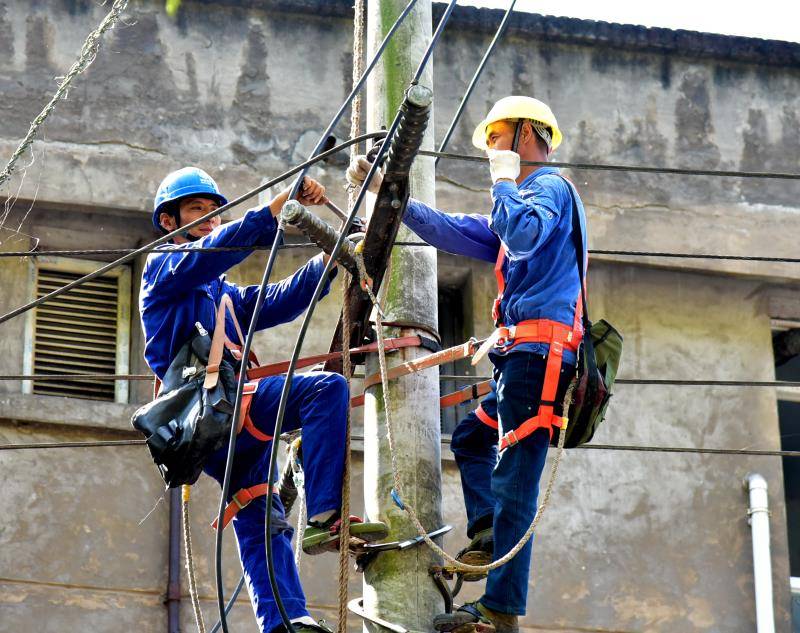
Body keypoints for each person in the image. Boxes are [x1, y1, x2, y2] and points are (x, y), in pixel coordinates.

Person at [346, 96, 588, 633]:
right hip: (518, 359)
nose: (490, 154)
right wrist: (392, 196)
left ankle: (501, 611)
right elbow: (450, 230)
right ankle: (487, 537)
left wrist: (505, 182)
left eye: (497, 139)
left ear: (528, 134)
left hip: (539, 357)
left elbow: (522, 233)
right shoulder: (519, 204)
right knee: (471, 441)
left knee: (514, 485)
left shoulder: (546, 189)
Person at [139, 167, 386, 633]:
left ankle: (284, 622)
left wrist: (331, 256)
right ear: (169, 222)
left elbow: (281, 299)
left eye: (214, 213)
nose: (209, 220)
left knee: (257, 511)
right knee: (323, 388)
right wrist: (278, 205)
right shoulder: (163, 269)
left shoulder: (223, 294)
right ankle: (325, 515)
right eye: (196, 211)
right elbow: (216, 250)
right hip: (209, 409)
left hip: (222, 422)